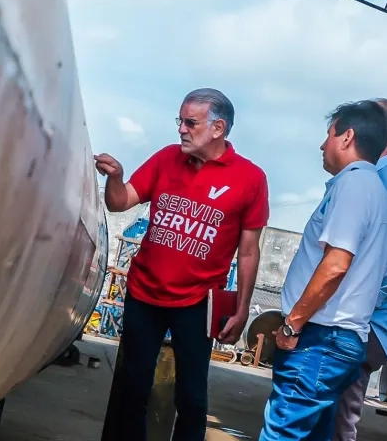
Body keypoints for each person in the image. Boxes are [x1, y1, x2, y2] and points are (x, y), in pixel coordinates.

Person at [96, 88, 269, 441]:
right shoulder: (165, 159)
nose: (181, 130)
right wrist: (115, 177)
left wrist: (241, 308)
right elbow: (120, 202)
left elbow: (249, 251)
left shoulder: (250, 179)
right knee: (132, 388)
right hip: (144, 294)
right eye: (181, 121)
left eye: (190, 123)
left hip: (197, 303)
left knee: (191, 397)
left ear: (218, 128)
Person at [259, 100, 387, 441]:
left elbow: (335, 265)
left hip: (321, 337)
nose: (322, 144)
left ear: (347, 137)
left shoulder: (356, 184)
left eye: (328, 134)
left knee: (281, 433)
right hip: (334, 338)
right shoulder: (371, 188)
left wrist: (292, 324)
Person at [332, 98, 387, 441]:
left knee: (336, 415)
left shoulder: (377, 177)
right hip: (373, 322)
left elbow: (370, 257)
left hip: (363, 321)